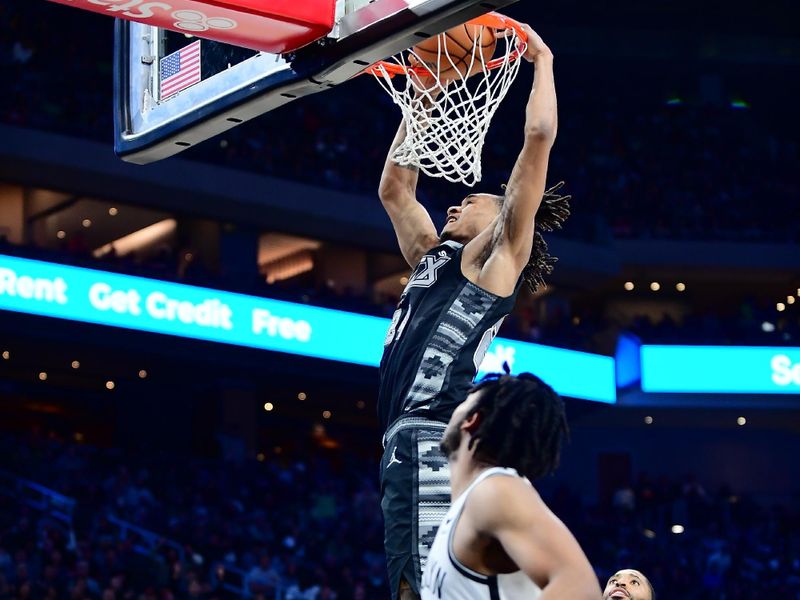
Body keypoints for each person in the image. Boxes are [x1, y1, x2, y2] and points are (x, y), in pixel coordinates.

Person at [377, 23, 570, 600]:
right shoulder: (431, 257)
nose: (462, 198)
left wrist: (542, 60)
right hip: (404, 440)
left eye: (479, 199)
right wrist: (424, 90)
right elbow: (395, 189)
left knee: (419, 592)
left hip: (429, 432)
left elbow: (537, 136)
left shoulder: (495, 265)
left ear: (504, 218)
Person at [420, 373, 599, 599]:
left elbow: (580, 588)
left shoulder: (495, 490)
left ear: (472, 419)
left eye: (465, 400)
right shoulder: (474, 502)